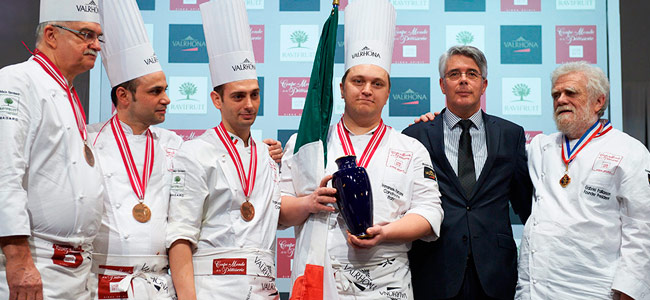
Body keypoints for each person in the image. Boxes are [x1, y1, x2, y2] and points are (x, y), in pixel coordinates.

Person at [279, 0, 444, 298]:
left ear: (388, 92)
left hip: (387, 284)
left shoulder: (410, 148)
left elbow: (430, 213)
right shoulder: (307, 144)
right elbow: (278, 213)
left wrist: (386, 233)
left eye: (377, 83)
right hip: (319, 277)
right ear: (341, 89)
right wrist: (308, 203)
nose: (367, 89)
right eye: (358, 81)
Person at [166, 0, 281, 299]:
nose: (249, 105)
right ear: (217, 99)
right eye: (239, 96)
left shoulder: (267, 155)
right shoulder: (194, 153)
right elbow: (180, 236)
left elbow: (278, 214)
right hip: (212, 291)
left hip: (264, 288)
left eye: (255, 95)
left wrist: (310, 202)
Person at [403, 45, 533, 300]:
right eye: (454, 74)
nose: (463, 79)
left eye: (472, 74)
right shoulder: (415, 136)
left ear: (484, 85)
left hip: (495, 272)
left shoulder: (511, 134)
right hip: (434, 267)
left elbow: (526, 204)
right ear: (442, 84)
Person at [516, 61, 650, 300]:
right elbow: (491, 144)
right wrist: (431, 122)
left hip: (594, 289)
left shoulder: (630, 151)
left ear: (599, 101)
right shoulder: (541, 147)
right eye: (556, 94)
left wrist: (629, 291)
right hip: (535, 288)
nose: (561, 99)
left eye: (571, 93)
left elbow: (641, 228)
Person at [0, 0, 105, 299]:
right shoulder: (16, 81)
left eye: (98, 37)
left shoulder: (66, 91)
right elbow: (4, 172)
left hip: (76, 271)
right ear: (51, 35)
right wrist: (19, 259)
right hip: (36, 264)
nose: (96, 45)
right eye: (86, 34)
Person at [85, 0, 181, 299]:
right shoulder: (88, 140)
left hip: (158, 285)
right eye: (155, 91)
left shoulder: (174, 144)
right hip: (103, 284)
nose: (166, 98)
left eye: (165, 89)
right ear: (124, 96)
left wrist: (259, 149)